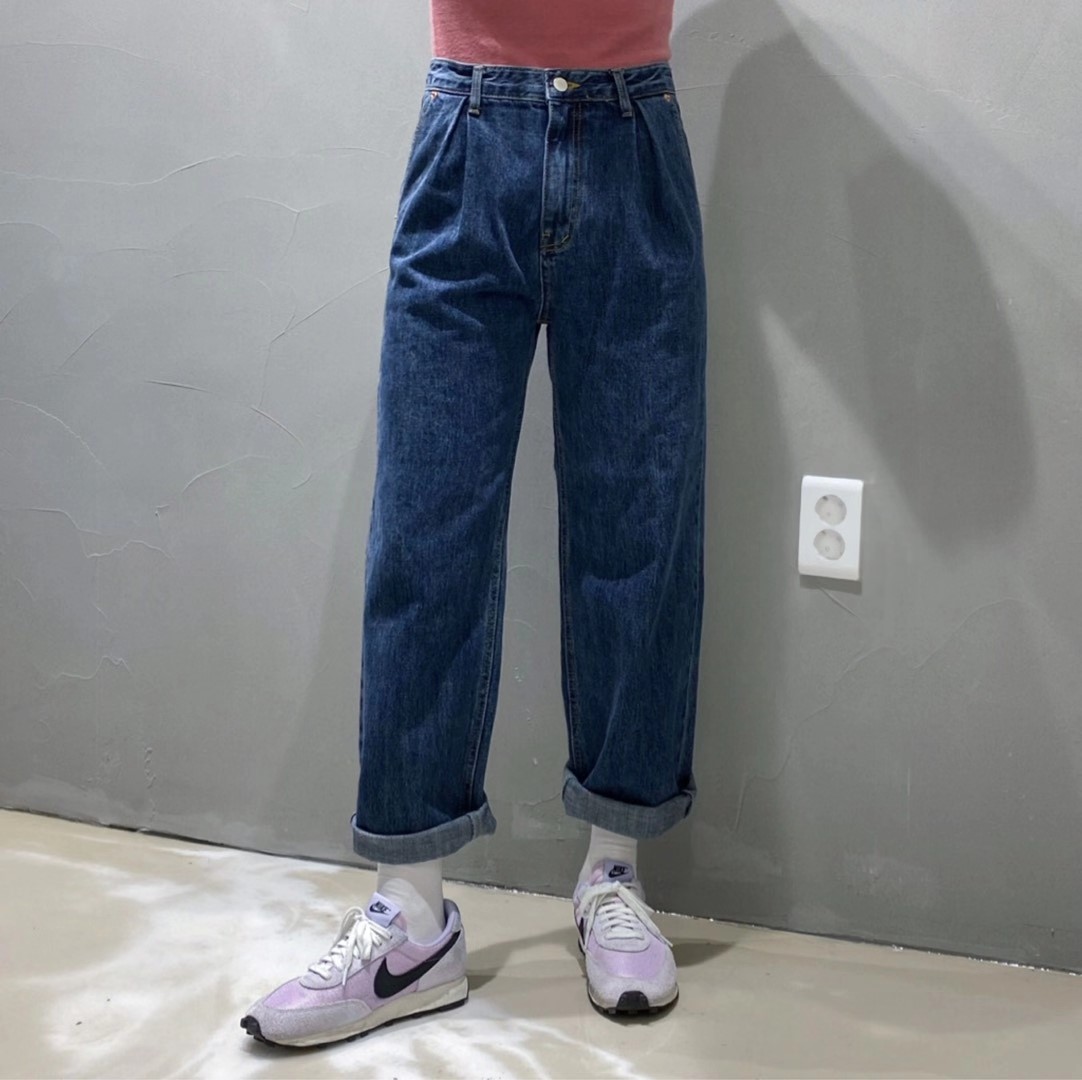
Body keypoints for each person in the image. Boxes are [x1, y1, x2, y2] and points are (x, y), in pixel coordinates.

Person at [241, 0, 706, 1048]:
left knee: (639, 524)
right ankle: (410, 920)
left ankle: (613, 873)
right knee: (425, 532)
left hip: (632, 134)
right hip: (468, 131)